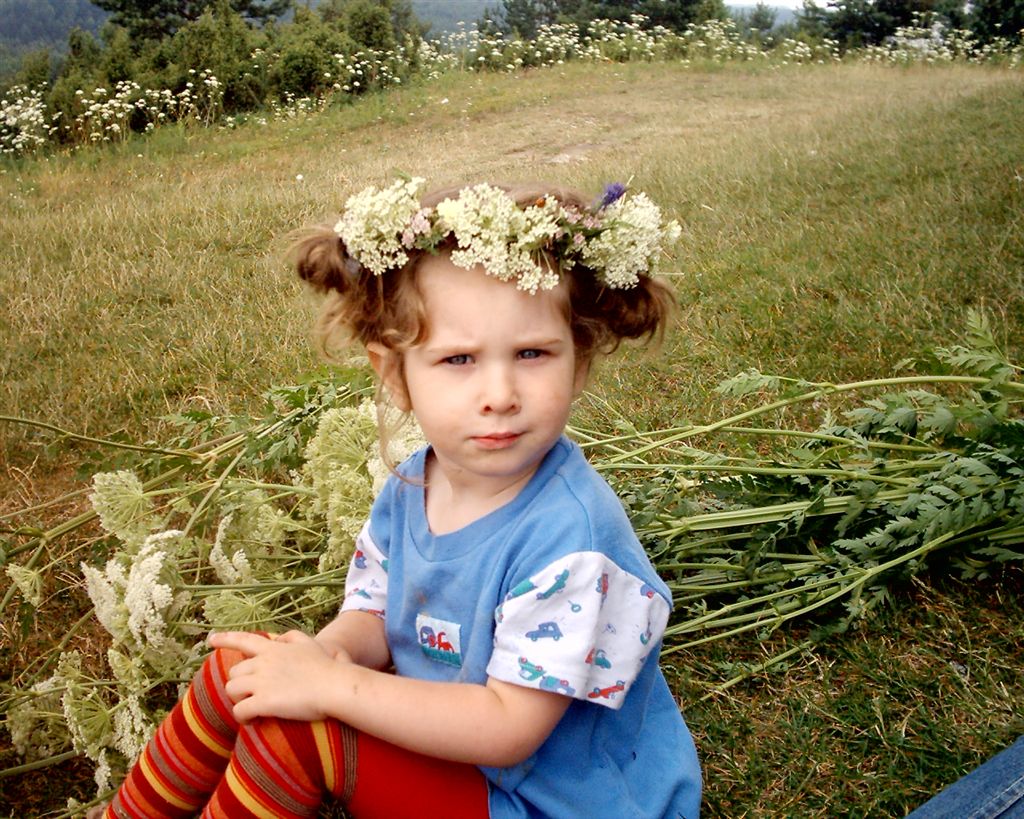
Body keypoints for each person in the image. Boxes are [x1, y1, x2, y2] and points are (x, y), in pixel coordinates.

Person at [86, 178, 702, 819]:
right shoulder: (417, 481)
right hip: (451, 756)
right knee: (245, 669)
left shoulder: (572, 540)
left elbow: (506, 727)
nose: (500, 394)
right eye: (458, 360)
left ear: (578, 361)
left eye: (531, 353)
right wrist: (325, 656)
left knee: (299, 734)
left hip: (546, 799)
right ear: (395, 374)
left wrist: (335, 687)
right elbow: (376, 613)